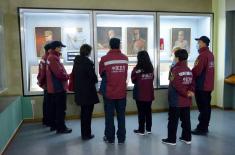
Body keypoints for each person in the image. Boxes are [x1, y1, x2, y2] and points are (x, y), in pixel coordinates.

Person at [162, 49, 194, 146]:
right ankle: (187, 138)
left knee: (173, 120)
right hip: (187, 101)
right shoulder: (189, 70)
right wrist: (190, 92)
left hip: (176, 101)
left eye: (174, 57)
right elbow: (193, 83)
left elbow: (176, 85)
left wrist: (185, 93)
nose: (174, 58)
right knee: (186, 120)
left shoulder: (175, 70)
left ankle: (171, 140)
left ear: (177, 58)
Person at [99, 38, 128, 144]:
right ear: (119, 46)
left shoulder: (104, 59)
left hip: (109, 93)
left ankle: (110, 138)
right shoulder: (125, 58)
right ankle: (121, 138)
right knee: (121, 116)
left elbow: (102, 74)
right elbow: (124, 75)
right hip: (121, 92)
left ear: (110, 46)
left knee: (109, 117)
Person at [71, 44, 99, 140]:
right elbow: (94, 78)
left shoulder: (76, 62)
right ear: (88, 52)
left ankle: (84, 133)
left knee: (83, 114)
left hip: (79, 92)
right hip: (88, 93)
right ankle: (87, 134)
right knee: (88, 114)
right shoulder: (87, 63)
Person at [46, 41, 72, 134]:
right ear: (56, 48)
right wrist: (67, 76)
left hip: (54, 88)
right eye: (60, 47)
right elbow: (59, 73)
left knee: (55, 108)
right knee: (61, 109)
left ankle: (55, 126)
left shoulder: (51, 57)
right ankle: (61, 128)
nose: (61, 49)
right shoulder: (53, 58)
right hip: (58, 88)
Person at [191, 36, 214, 135]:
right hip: (208, 85)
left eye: (199, 42)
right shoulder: (210, 54)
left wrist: (189, 73)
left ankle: (201, 128)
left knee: (203, 108)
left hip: (201, 85)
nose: (198, 44)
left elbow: (197, 71)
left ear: (204, 43)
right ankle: (205, 126)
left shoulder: (202, 55)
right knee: (207, 107)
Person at [131, 51, 154, 135]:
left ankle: (141, 130)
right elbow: (152, 78)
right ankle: (149, 129)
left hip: (140, 94)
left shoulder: (137, 69)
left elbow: (133, 80)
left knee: (141, 112)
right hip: (149, 93)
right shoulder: (151, 68)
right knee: (148, 111)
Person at [37, 43, 51, 126]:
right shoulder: (47, 58)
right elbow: (43, 73)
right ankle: (48, 120)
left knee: (46, 103)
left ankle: (46, 120)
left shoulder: (43, 58)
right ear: (49, 50)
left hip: (46, 84)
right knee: (48, 103)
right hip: (48, 84)